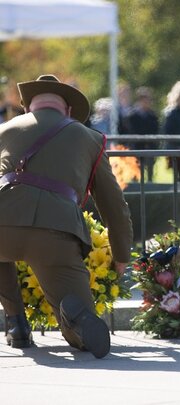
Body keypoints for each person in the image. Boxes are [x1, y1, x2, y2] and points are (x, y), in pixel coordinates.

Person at [0, 74, 133, 358]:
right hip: (55, 231)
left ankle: (16, 325)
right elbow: (113, 205)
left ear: (27, 109)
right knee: (81, 332)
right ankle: (77, 323)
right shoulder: (89, 137)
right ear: (68, 111)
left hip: (2, 221)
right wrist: (121, 253)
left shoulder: (5, 130)